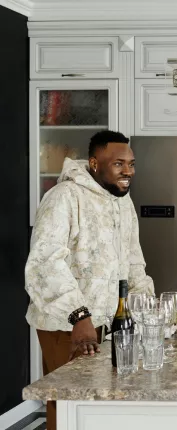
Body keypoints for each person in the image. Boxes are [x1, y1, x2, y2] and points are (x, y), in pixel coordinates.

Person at [25, 130, 154, 430]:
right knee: (70, 405)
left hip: (111, 322)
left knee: (102, 409)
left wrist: (147, 306)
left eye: (132, 164)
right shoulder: (63, 197)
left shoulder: (122, 202)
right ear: (95, 164)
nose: (128, 172)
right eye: (119, 164)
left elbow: (133, 259)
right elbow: (44, 262)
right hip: (67, 324)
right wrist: (79, 316)